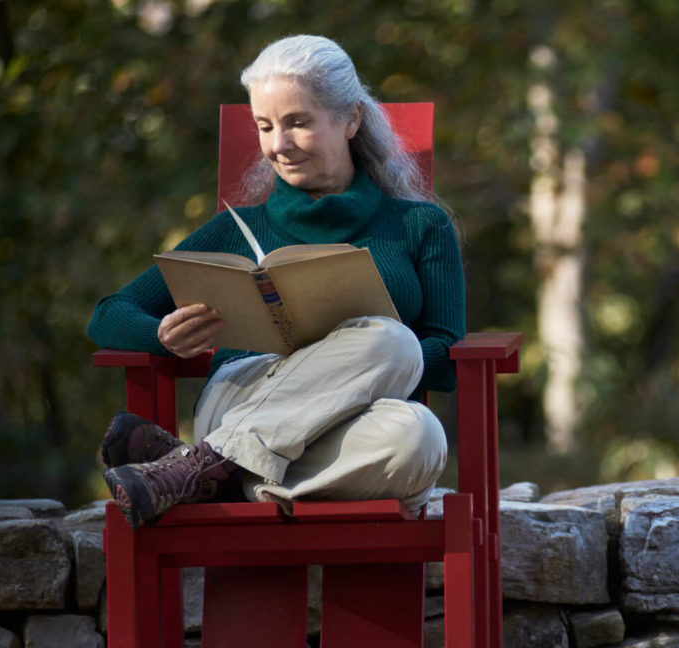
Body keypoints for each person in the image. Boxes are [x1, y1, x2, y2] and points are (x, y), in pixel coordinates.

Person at [89, 34, 465, 528]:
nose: (278, 145)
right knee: (393, 340)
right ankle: (219, 460)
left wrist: (352, 359)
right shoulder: (233, 230)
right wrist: (159, 335)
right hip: (244, 398)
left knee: (419, 434)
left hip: (362, 420)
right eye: (265, 126)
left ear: (351, 119)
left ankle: (205, 470)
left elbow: (447, 355)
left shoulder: (421, 226)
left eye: (298, 123)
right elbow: (108, 314)